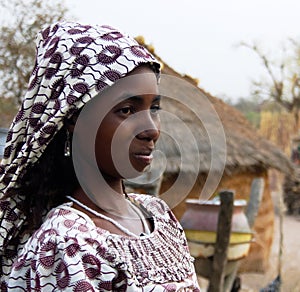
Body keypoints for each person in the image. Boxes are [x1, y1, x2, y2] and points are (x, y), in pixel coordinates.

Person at [0, 21, 200, 291]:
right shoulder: (66, 242)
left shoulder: (159, 215)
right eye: (127, 110)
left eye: (154, 108)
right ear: (73, 118)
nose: (151, 130)